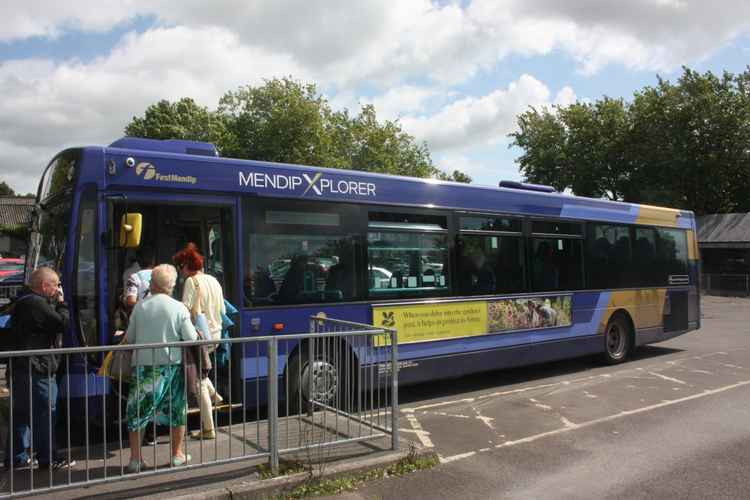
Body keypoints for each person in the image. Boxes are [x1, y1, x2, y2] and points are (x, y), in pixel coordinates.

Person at [126, 264, 196, 472]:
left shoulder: (140, 306)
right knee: (176, 411)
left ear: (151, 284)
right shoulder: (178, 307)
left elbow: (130, 338)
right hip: (171, 367)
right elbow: (191, 338)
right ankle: (176, 455)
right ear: (172, 285)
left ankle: (135, 459)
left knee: (138, 413)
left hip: (144, 368)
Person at [5, 267, 75, 470]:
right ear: (44, 285)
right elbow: (61, 323)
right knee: (45, 412)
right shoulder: (37, 303)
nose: (58, 289)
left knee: (21, 414)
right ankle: (49, 457)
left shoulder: (23, 301)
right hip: (38, 368)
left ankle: (16, 457)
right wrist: (62, 304)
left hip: (20, 366)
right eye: (56, 285)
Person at [173, 243, 225, 440]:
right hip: (216, 333)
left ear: (186, 264)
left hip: (200, 336)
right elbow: (222, 309)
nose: (180, 271)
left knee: (199, 380)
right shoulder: (214, 280)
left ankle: (208, 429)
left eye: (180, 266)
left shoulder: (191, 282)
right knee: (202, 372)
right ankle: (214, 396)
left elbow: (184, 310)